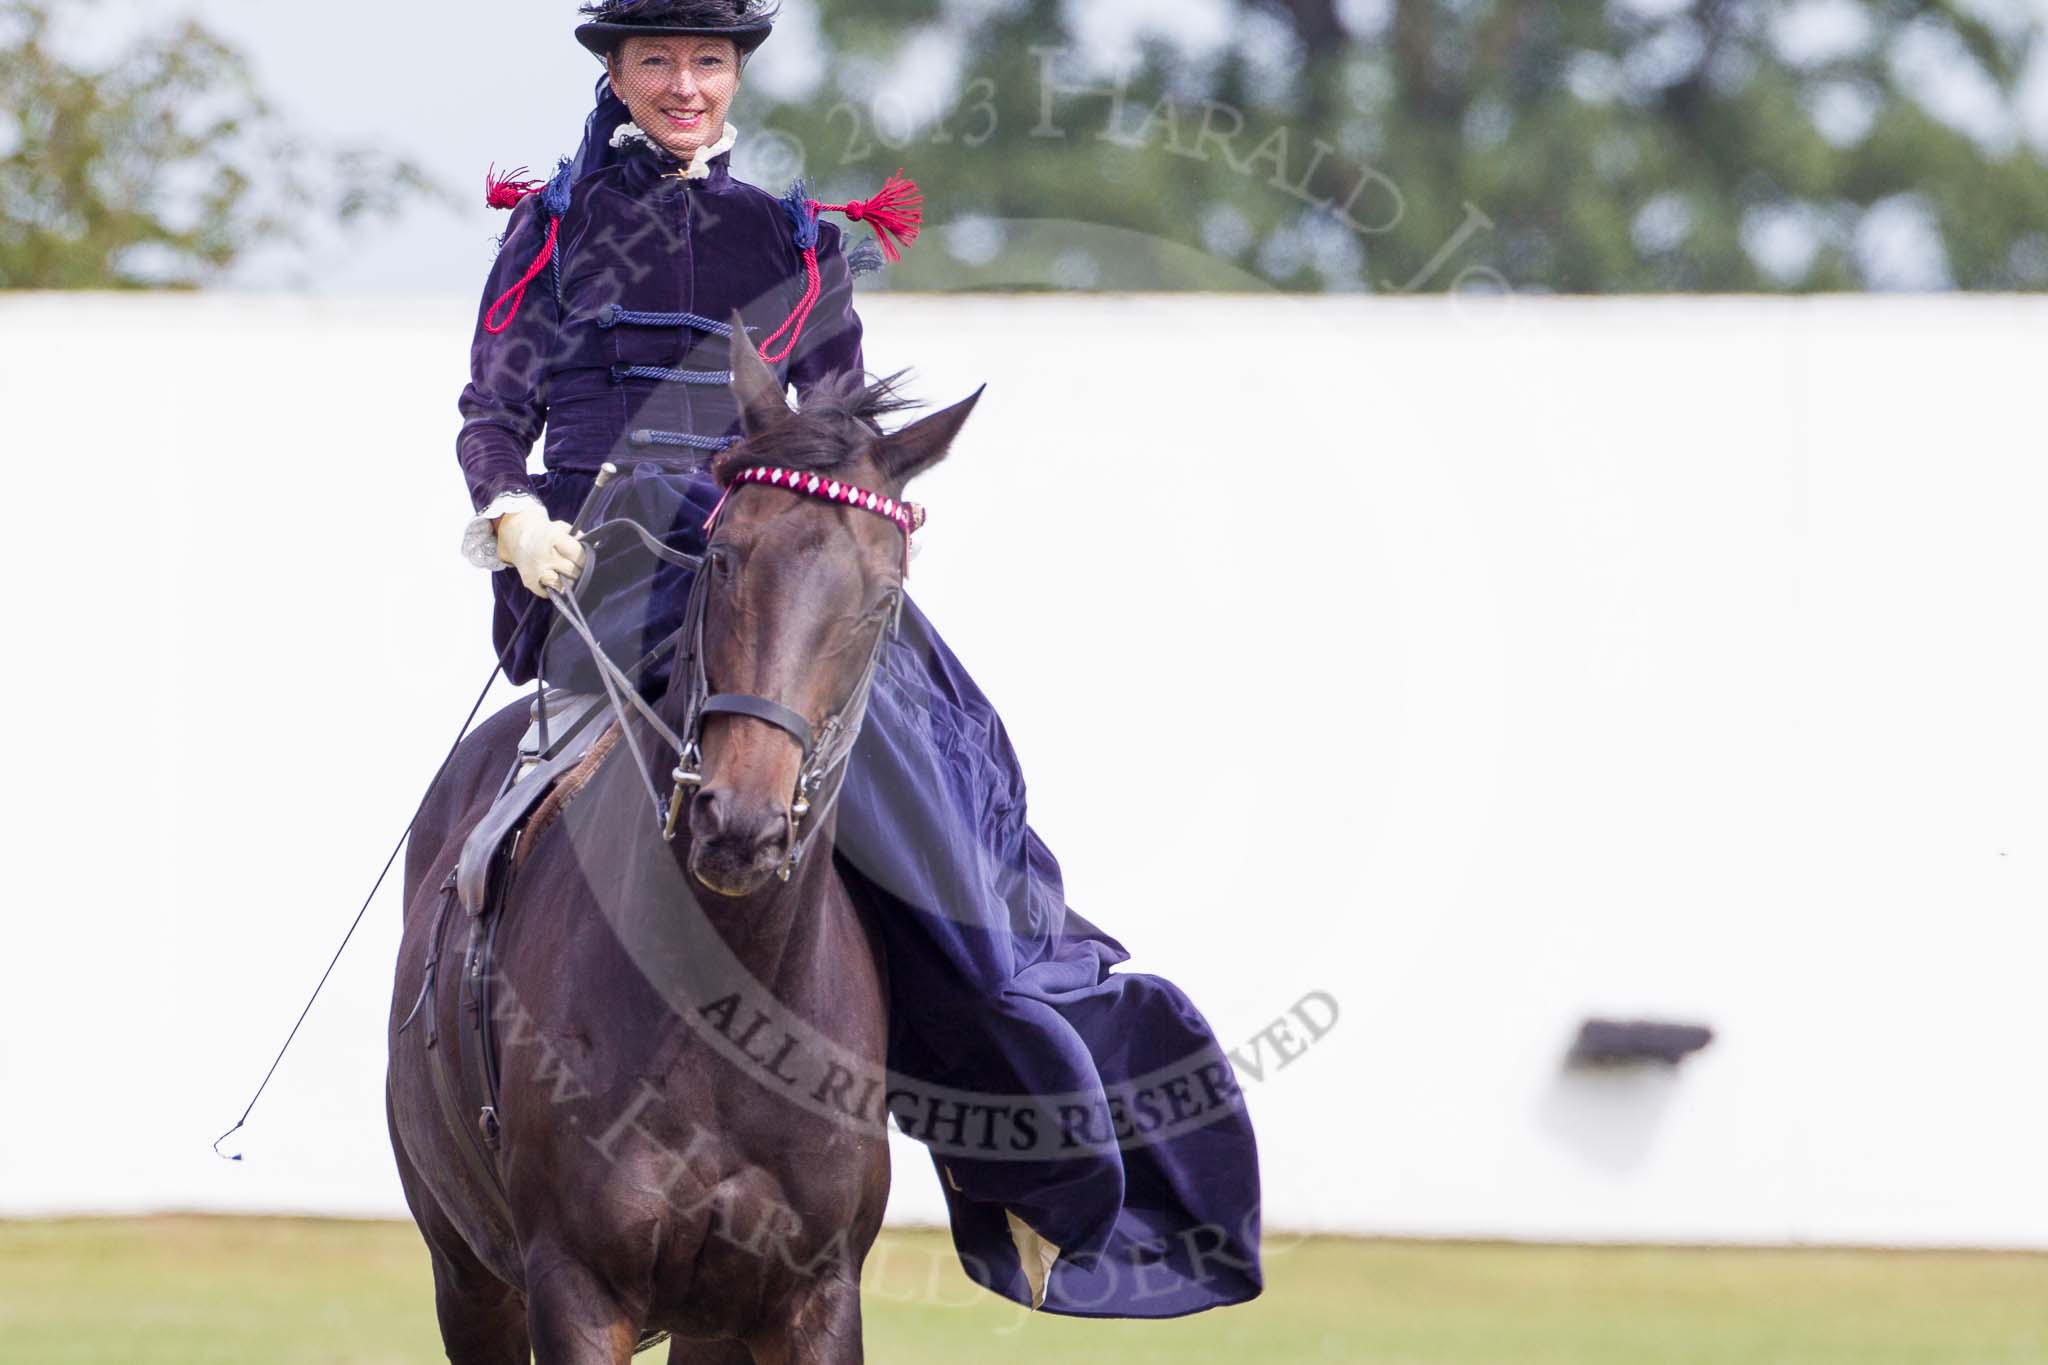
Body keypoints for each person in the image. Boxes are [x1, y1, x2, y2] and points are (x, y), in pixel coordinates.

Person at [455, 0, 1262, 1317]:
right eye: (657, 59)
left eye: (706, 62)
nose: (683, 84)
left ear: (733, 77)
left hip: (767, 572)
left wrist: (828, 524)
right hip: (601, 572)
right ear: (617, 70)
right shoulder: (548, 226)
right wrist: (510, 506)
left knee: (933, 801)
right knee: (498, 830)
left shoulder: (792, 238)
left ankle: (1028, 1105)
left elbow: (833, 428)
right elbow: (494, 403)